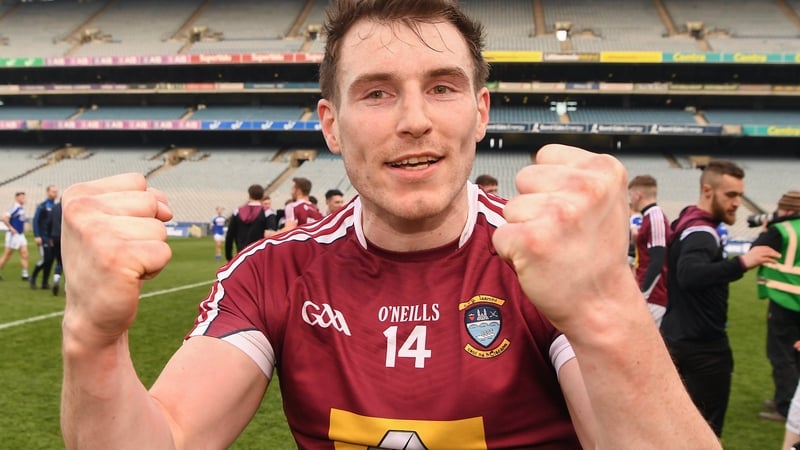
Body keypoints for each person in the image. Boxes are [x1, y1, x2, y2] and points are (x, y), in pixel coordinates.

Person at [59, 1, 722, 448]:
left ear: (481, 112)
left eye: (442, 87)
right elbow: (169, 437)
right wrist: (91, 338)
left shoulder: (541, 263)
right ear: (331, 125)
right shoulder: (273, 273)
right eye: (377, 92)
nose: (414, 120)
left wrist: (606, 310)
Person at [661, 159, 781, 436]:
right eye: (730, 195)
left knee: (677, 433)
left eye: (740, 195)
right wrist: (742, 263)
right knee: (705, 435)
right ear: (707, 190)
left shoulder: (690, 220)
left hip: (678, 338)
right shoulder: (702, 233)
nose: (737, 202)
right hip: (702, 349)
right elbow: (689, 274)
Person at [751, 190, 800, 422]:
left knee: (781, 354)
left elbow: (755, 251)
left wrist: (765, 230)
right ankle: (791, 400)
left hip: (784, 299)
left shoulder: (782, 229)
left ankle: (785, 406)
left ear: (787, 210)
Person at [628, 175, 671, 325]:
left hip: (653, 297)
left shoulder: (655, 217)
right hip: (649, 295)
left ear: (638, 195)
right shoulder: (649, 216)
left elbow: (658, 260)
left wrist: (643, 295)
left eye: (631, 196)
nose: (631, 201)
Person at [224, 184, 277, 261]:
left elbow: (230, 235)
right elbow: (271, 235)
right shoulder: (267, 213)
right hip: (260, 255)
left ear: (249, 195)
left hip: (241, 255)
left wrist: (228, 256)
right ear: (262, 196)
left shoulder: (237, 212)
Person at [30, 185, 59, 290]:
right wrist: (37, 235)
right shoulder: (42, 206)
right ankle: (33, 277)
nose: (55, 194)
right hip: (43, 237)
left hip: (51, 238)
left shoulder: (55, 206)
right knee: (44, 259)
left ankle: (45, 282)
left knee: (50, 260)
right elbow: (36, 221)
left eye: (56, 192)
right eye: (53, 191)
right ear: (47, 193)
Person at [0, 191, 29, 281]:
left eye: (24, 197)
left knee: (25, 253)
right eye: (22, 197)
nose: (24, 199)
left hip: (20, 235)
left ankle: (25, 274)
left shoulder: (21, 208)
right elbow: (4, 217)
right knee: (7, 255)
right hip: (13, 235)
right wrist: (11, 228)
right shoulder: (15, 207)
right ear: (17, 198)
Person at [49, 198, 64, 296]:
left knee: (59, 261)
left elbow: (49, 223)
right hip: (65, 237)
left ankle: (56, 279)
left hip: (55, 237)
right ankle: (68, 285)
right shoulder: (69, 207)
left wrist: (50, 237)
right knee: (68, 262)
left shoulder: (54, 208)